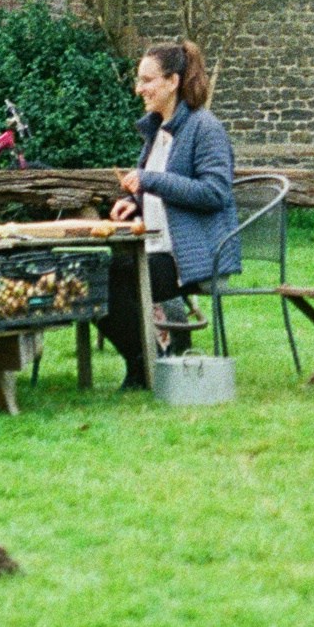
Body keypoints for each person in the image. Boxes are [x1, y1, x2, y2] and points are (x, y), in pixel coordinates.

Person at [100, 41, 238, 387]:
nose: (138, 88)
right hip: (157, 250)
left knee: (107, 279)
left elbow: (215, 193)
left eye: (147, 80)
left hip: (195, 256)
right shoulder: (157, 131)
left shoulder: (205, 128)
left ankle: (146, 363)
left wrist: (151, 181)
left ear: (172, 81)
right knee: (95, 276)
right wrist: (134, 199)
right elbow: (157, 190)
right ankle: (147, 360)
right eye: (139, 80)